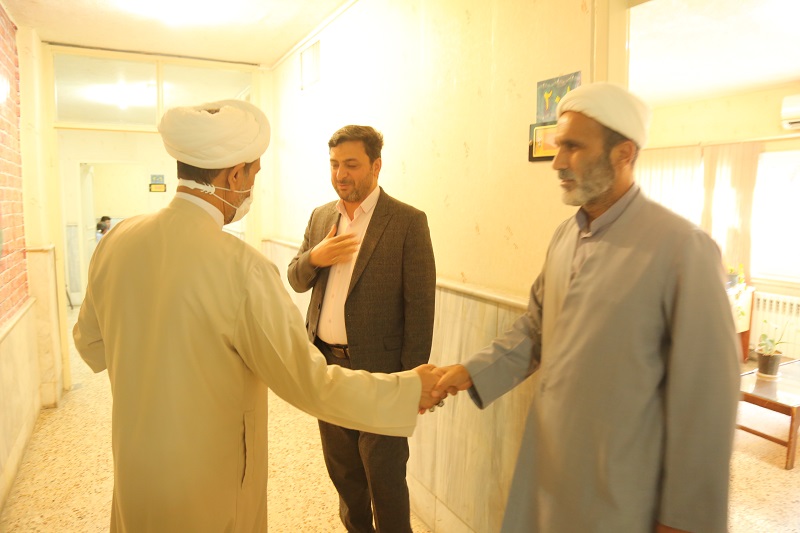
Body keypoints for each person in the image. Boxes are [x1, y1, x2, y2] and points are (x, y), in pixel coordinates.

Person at [73, 101, 439, 533]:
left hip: (135, 466)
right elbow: (308, 381)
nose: (251, 187)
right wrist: (408, 390)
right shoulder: (242, 267)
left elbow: (89, 344)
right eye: (253, 175)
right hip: (207, 476)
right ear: (234, 176)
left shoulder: (117, 239)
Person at [432, 82, 740, 533]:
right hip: (549, 466)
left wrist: (683, 518)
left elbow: (706, 398)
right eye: (559, 146)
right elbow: (536, 327)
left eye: (573, 147)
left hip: (621, 488)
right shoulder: (565, 236)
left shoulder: (682, 248)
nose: (557, 162)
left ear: (624, 153)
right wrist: (471, 371)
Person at [288, 125, 436, 533]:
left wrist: (411, 382)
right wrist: (315, 257)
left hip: (381, 374)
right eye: (334, 164)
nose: (341, 174)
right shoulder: (322, 217)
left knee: (385, 480)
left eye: (351, 165)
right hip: (327, 368)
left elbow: (420, 308)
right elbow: (296, 279)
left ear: (376, 166)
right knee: (345, 477)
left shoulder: (407, 222)